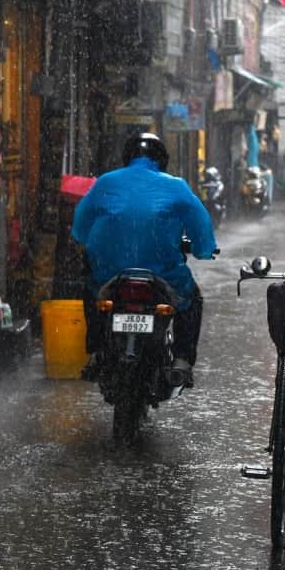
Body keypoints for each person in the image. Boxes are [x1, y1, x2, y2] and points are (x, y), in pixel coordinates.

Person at [72, 133, 218, 384]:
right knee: (191, 300)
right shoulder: (176, 186)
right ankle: (182, 359)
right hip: (163, 273)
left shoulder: (106, 182)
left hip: (109, 272)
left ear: (127, 157)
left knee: (92, 293)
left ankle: (96, 350)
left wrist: (89, 242)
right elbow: (201, 224)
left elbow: (80, 227)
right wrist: (204, 250)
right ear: (161, 160)